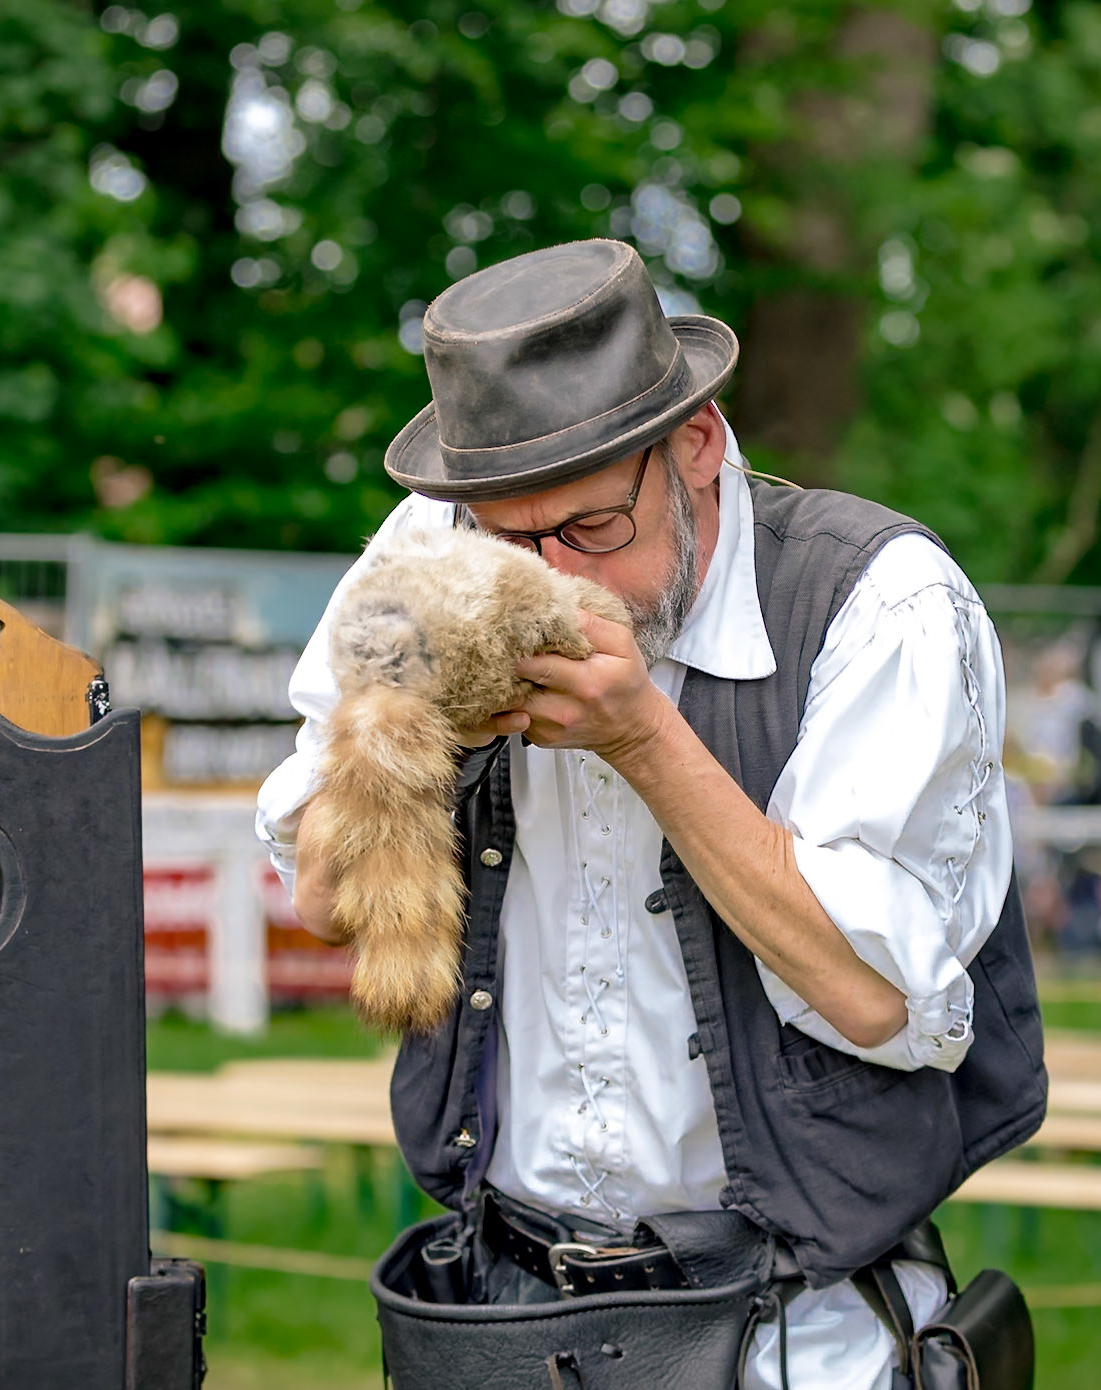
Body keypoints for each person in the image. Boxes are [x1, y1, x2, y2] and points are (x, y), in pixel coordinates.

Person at [256, 240, 1046, 1387]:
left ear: (695, 443)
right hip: (502, 1310)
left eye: (589, 531)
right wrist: (421, 731)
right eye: (506, 538)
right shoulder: (430, 552)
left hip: (792, 1324)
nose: (549, 579)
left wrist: (642, 738)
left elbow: (875, 996)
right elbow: (327, 899)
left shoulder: (879, 599)